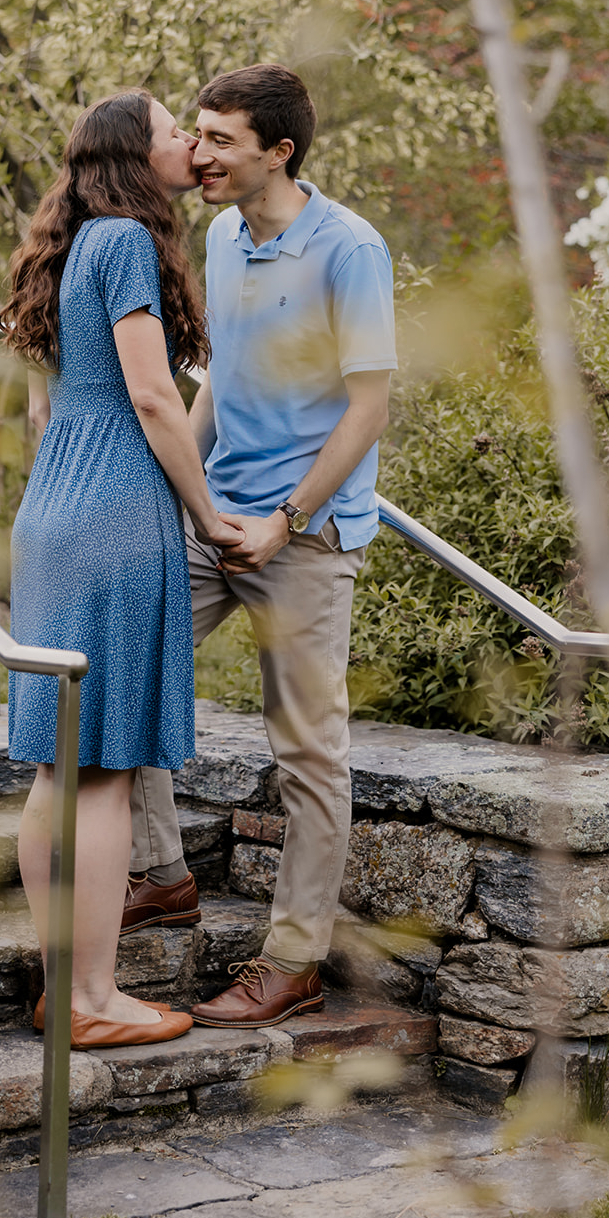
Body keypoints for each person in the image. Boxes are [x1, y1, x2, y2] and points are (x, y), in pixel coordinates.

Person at [123, 63, 396, 1028]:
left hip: (306, 537)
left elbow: (369, 408)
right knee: (126, 673)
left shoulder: (350, 250)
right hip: (214, 521)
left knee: (308, 754)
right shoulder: (223, 234)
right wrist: (177, 497)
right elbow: (216, 386)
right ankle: (157, 872)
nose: (198, 154)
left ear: (278, 151)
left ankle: (293, 962)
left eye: (220, 139)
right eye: (195, 134)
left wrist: (285, 518)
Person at [0, 88, 245, 1049]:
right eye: (173, 130)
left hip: (55, 509)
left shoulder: (75, 245)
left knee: (59, 771)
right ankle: (93, 999)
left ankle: (69, 988)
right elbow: (152, 395)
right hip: (113, 509)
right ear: (136, 158)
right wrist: (209, 513)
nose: (190, 141)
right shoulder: (126, 242)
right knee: (100, 772)